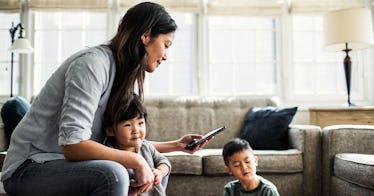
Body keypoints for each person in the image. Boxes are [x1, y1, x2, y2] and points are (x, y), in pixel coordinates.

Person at [1, 2, 206, 196]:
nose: (166, 55)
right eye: (166, 45)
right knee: (113, 174)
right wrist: (135, 160)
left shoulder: (125, 75)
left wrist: (176, 145)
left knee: (153, 170)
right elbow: (73, 145)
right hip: (29, 167)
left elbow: (123, 139)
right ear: (145, 35)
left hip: (63, 163)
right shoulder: (92, 65)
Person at [102, 93, 170, 196]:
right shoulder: (109, 153)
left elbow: (164, 161)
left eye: (140, 123)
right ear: (110, 131)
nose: (136, 130)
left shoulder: (145, 146)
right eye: (127, 125)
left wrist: (160, 172)